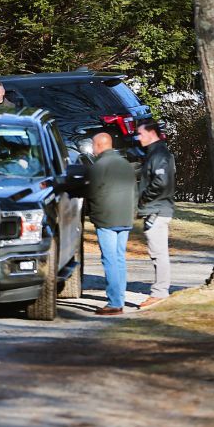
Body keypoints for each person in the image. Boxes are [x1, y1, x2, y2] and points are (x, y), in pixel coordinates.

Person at [87, 132, 137, 316]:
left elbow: (91, 191)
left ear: (100, 145)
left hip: (106, 217)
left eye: (93, 145)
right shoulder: (125, 164)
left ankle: (115, 302)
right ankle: (119, 298)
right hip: (124, 217)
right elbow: (135, 190)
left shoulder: (98, 166)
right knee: (119, 258)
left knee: (109, 260)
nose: (92, 148)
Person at [136, 118, 176, 309]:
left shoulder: (159, 154)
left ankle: (160, 292)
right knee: (157, 253)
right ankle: (160, 290)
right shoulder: (155, 153)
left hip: (157, 209)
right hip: (156, 208)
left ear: (151, 133)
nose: (138, 137)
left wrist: (144, 198)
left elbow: (161, 182)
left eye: (141, 133)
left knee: (159, 253)